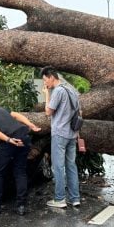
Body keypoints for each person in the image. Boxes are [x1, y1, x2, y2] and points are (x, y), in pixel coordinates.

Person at [41, 66, 81, 208]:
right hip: (72, 134)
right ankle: (75, 198)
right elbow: (78, 112)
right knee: (71, 165)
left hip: (59, 134)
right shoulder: (72, 90)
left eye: (45, 80)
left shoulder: (58, 91)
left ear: (51, 77)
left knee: (58, 167)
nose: (45, 83)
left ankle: (59, 199)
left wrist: (46, 94)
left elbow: (48, 112)